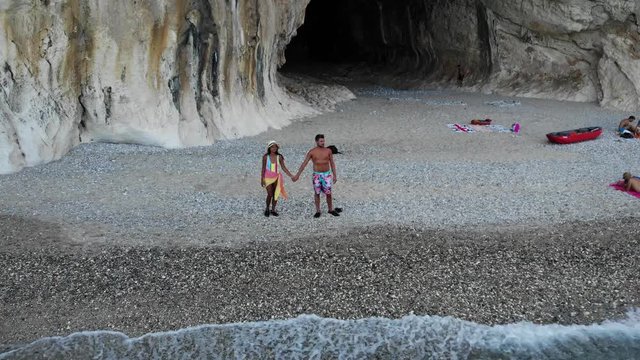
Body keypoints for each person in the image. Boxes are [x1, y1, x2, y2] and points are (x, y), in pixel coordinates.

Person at [293, 134, 342, 218]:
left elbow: (332, 163)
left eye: (323, 141)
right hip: (317, 175)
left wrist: (335, 175)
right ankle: (318, 210)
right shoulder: (312, 152)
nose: (323, 143)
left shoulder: (328, 151)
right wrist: (297, 175)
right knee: (317, 193)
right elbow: (304, 164)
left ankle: (330, 209)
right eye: (321, 141)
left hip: (326, 174)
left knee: (328, 193)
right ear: (316, 141)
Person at [261, 140, 293, 217]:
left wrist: (291, 175)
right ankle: (267, 208)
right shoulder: (265, 157)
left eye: (275, 147)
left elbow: (284, 168)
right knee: (269, 194)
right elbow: (263, 169)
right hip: (268, 177)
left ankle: (273, 209)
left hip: (277, 177)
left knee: (276, 194)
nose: (274, 148)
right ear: (269, 148)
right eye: (272, 147)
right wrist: (262, 179)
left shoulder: (280, 157)